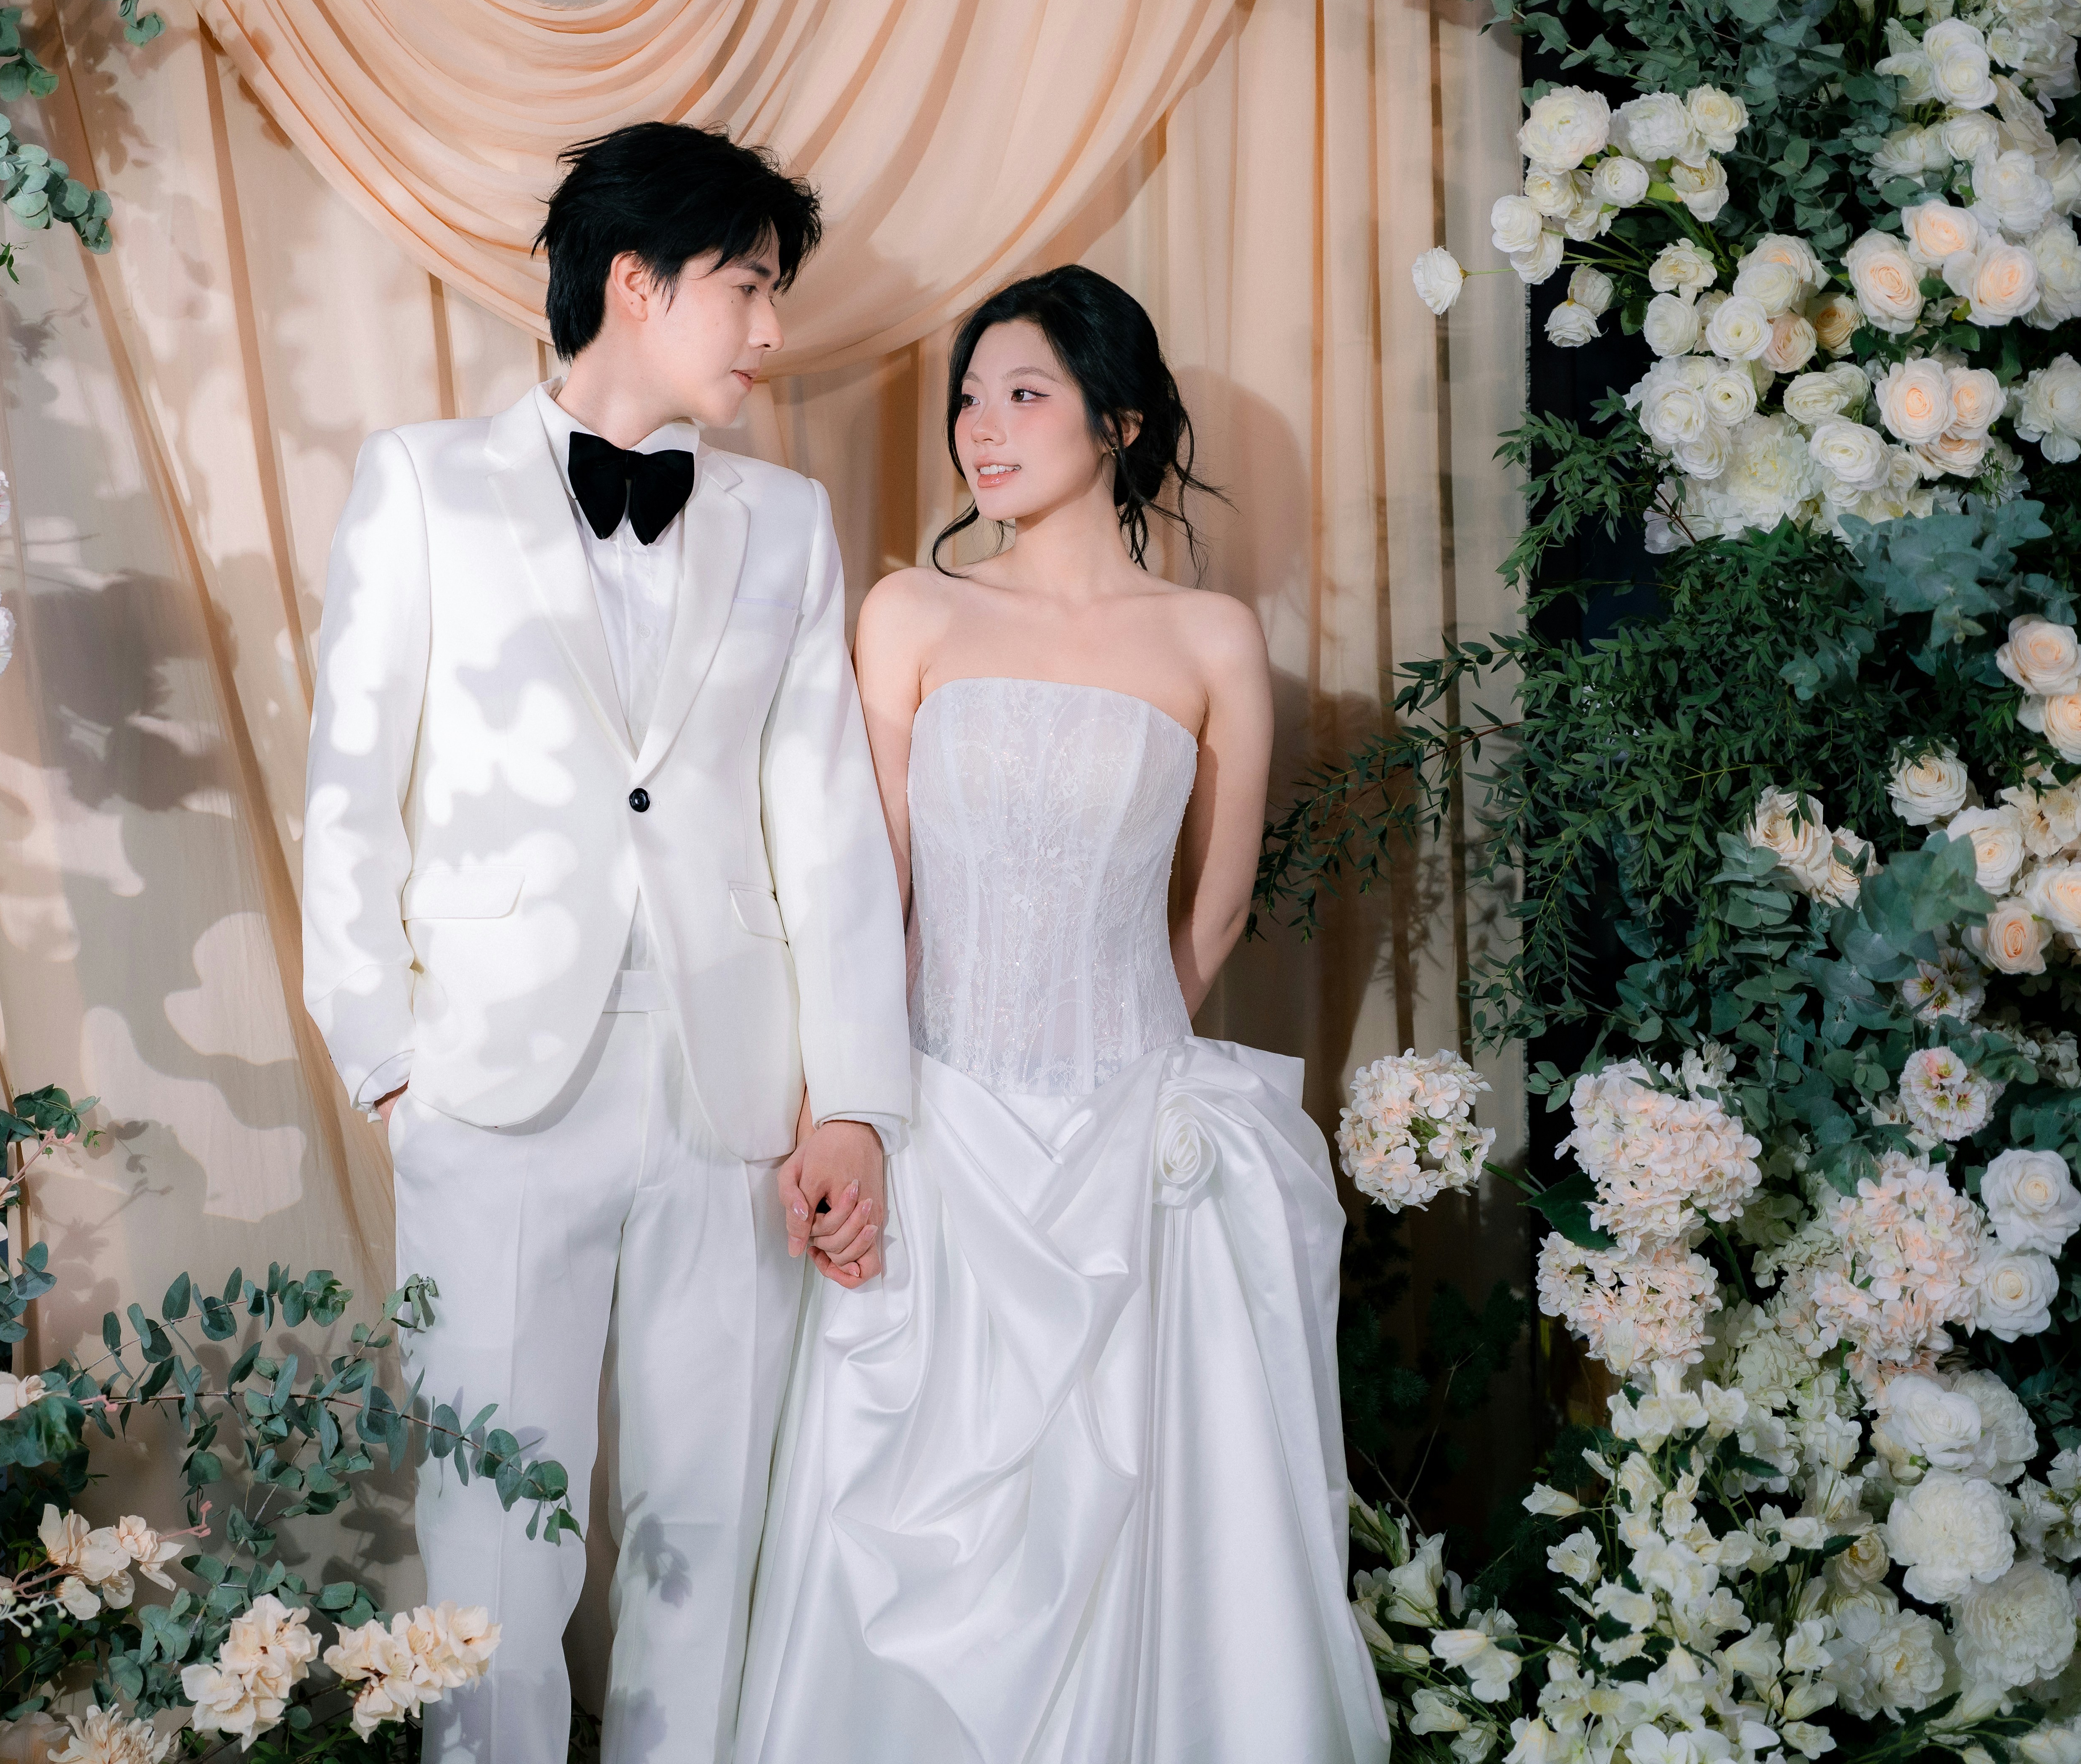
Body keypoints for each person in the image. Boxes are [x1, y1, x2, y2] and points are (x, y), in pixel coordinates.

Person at [298, 121, 912, 1764]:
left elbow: (831, 827)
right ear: (634, 285)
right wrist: (392, 1069)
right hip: (489, 1092)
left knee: (710, 1519)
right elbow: (349, 794)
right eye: (750, 288)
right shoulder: (422, 483)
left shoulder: (786, 523)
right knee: (496, 1519)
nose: (774, 332)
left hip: (732, 1097)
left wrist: (851, 1094)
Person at [734, 264, 1392, 1763]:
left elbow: (1209, 914)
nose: (981, 425)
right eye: (970, 395)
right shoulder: (909, 612)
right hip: (937, 1129)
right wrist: (852, 1110)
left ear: (1119, 416)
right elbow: (867, 897)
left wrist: (1114, 1089)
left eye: (1022, 392)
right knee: (904, 1530)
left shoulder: (1212, 639)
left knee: (1154, 1536)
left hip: (1128, 1147)